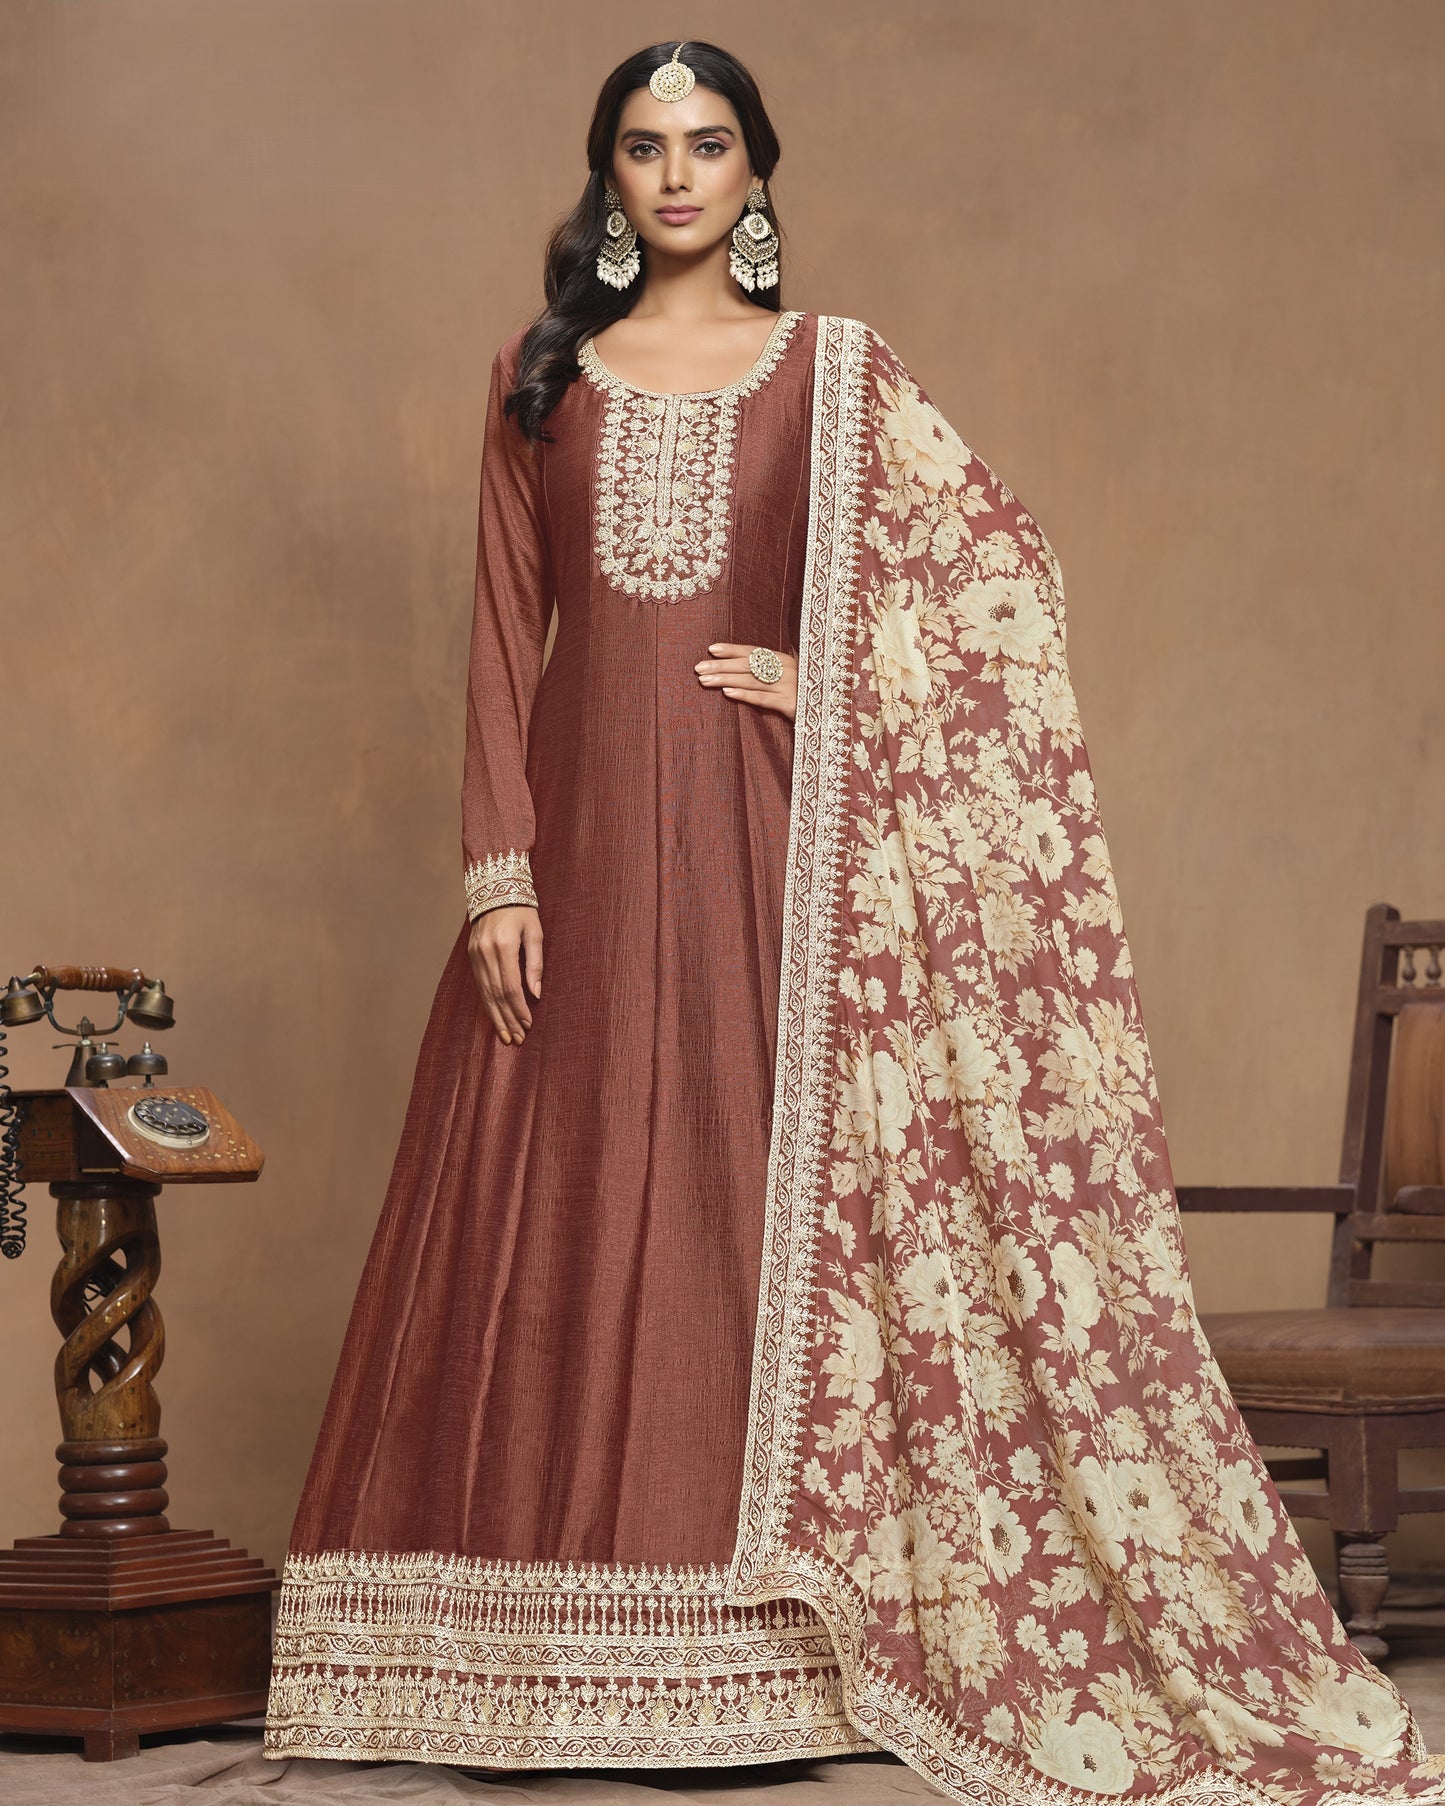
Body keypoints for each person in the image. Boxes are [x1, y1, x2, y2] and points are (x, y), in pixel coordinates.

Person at [263, 38, 1445, 1805]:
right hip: (575, 855)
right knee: (565, 1188)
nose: (675, 176)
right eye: (644, 148)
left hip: (762, 855)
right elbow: (503, 640)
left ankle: (755, 1655)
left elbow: (1000, 595)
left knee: (750, 1195)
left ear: (756, 177)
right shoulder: (537, 377)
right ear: (607, 178)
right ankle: (513, 1652)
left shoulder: (831, 374)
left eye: (708, 145)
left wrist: (836, 687)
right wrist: (494, 868)